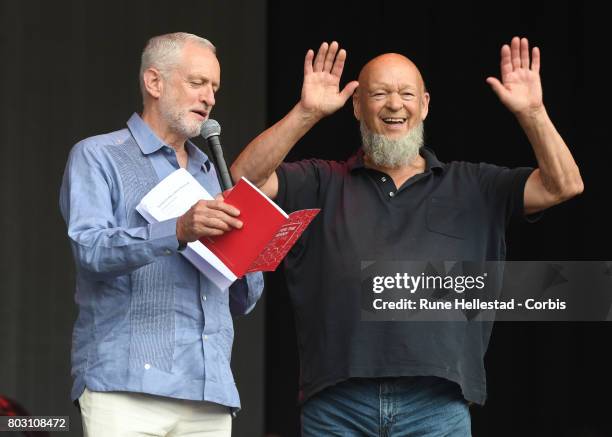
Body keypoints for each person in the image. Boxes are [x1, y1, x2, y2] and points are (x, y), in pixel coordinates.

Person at [231, 37, 583, 436]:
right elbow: (243, 182)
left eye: (406, 94)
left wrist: (533, 113)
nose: (394, 104)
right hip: (336, 406)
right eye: (379, 94)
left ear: (426, 105)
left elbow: (563, 185)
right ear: (358, 106)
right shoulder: (321, 180)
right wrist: (306, 113)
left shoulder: (473, 184)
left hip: (436, 406)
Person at [59, 32, 263, 437]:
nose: (209, 98)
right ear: (154, 83)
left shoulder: (211, 173)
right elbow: (91, 249)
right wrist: (179, 230)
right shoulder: (99, 155)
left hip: (209, 392)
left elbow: (240, 301)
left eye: (215, 88)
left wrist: (253, 254)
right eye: (197, 83)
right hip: (126, 388)